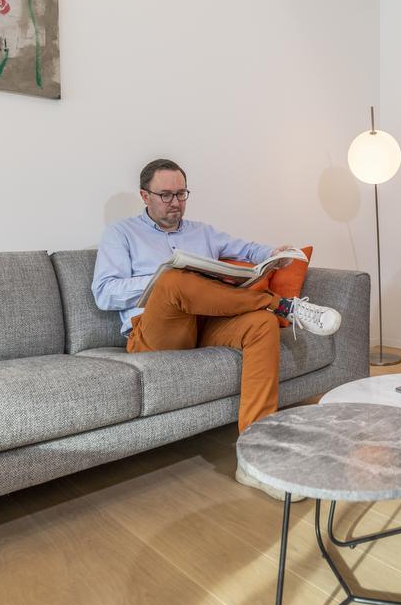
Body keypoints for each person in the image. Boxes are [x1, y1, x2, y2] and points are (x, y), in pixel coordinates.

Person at [92, 158, 341, 500]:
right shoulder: (120, 234)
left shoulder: (202, 232)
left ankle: (255, 457)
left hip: (204, 324)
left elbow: (246, 249)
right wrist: (160, 281)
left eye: (181, 194)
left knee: (262, 325)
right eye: (165, 195)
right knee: (173, 279)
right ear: (144, 196)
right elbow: (105, 294)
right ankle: (280, 305)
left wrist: (273, 253)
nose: (175, 203)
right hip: (153, 334)